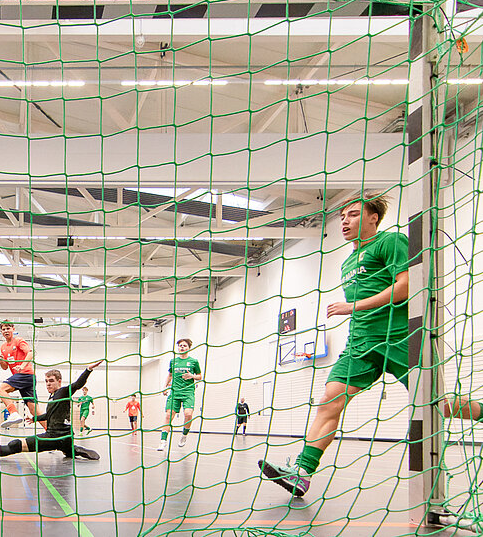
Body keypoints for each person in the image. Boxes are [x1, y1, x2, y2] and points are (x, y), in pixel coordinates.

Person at [258, 192, 483, 498]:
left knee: (438, 405)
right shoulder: (348, 261)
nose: (344, 221)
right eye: (342, 217)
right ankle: (302, 472)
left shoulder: (389, 242)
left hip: (399, 338)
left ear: (373, 217)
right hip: (360, 343)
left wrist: (354, 306)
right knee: (329, 400)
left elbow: (405, 287)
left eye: (352, 214)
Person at [0, 361, 103, 461]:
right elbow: (50, 415)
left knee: (15, 445)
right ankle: (72, 449)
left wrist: (88, 370)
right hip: (64, 438)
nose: (48, 383)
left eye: (51, 381)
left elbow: (78, 384)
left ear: (59, 382)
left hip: (54, 437)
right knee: (67, 449)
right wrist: (35, 418)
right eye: (46, 381)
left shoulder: (63, 391)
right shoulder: (54, 397)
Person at [0, 321, 45, 429]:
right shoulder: (3, 347)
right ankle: (51, 431)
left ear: (13, 329)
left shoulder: (18, 341)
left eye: (8, 328)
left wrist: (22, 366)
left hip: (25, 374)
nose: (6, 331)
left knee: (1, 389)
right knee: (34, 410)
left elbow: (31, 353)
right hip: (24, 379)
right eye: (3, 329)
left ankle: (13, 413)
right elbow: (5, 367)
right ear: (1, 332)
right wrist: (1, 360)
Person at [158, 338, 202, 451]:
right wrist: (165, 386)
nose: (182, 347)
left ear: (189, 348)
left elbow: (199, 376)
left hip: (188, 392)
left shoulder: (194, 361)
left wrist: (192, 376)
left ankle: (184, 435)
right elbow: (170, 375)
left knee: (188, 414)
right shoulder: (173, 361)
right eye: (180, 345)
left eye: (184, 345)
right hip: (175, 392)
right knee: (168, 416)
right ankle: (163, 441)